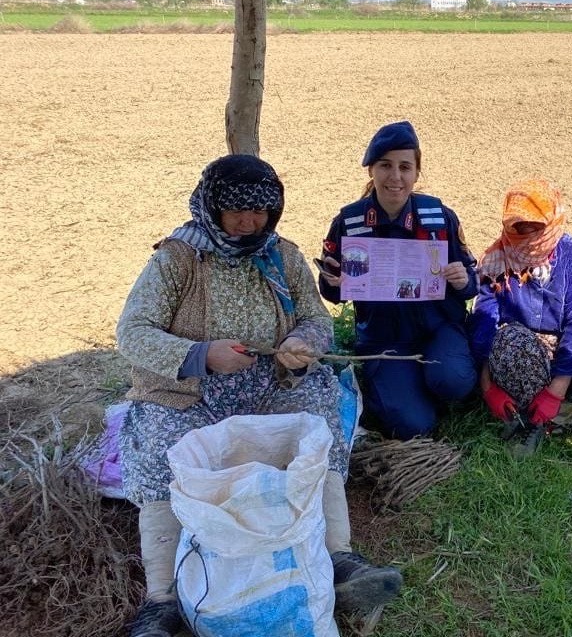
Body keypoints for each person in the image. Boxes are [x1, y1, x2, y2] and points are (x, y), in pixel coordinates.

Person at [116, 154, 402, 637]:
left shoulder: (281, 254)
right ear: (211, 206)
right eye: (237, 213)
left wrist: (301, 344)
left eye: (261, 213)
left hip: (271, 385)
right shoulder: (178, 259)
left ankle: (341, 558)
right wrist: (204, 354)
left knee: (316, 420)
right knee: (164, 449)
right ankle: (160, 600)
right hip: (190, 391)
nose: (250, 223)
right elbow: (132, 332)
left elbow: (316, 318)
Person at [319, 121, 477, 440]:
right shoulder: (350, 221)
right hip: (384, 339)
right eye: (385, 166)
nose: (395, 177)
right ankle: (404, 388)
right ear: (371, 171)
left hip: (438, 328)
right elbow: (332, 292)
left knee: (453, 382)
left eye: (405, 167)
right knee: (414, 425)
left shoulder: (439, 217)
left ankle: (435, 378)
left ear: (416, 173)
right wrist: (332, 282)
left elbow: (471, 283)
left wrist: (462, 281)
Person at [468, 179, 572, 454]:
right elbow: (484, 326)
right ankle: (533, 421)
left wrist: (556, 391)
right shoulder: (495, 261)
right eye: (519, 227)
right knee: (510, 340)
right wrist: (488, 387)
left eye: (536, 226)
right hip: (528, 358)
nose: (528, 235)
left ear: (552, 220)